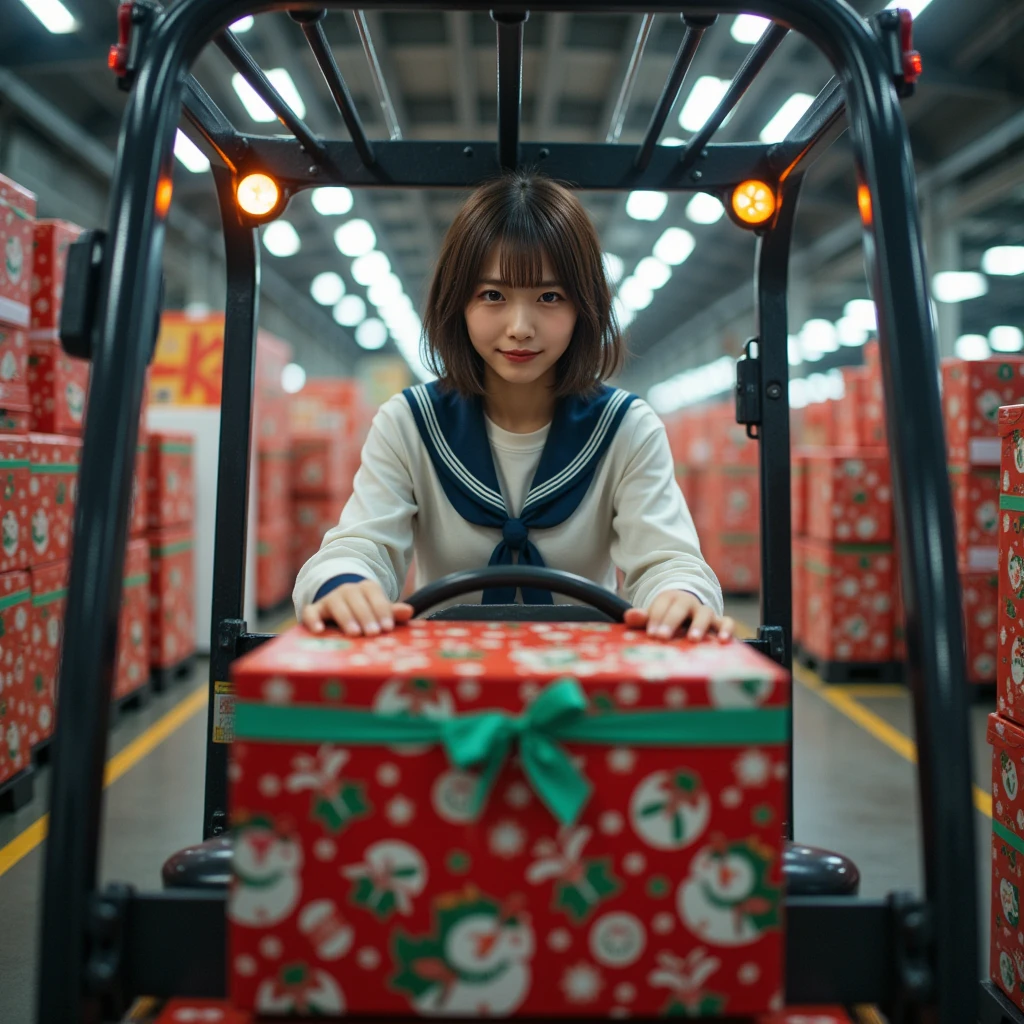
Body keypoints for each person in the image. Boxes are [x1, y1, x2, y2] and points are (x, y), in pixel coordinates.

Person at [295, 170, 732, 642]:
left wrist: (681, 596)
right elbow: (361, 545)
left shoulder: (626, 427)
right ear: (457, 303)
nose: (520, 326)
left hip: (584, 686)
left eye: (549, 296)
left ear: (584, 307)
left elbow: (668, 560)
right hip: (442, 685)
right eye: (493, 295)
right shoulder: (409, 423)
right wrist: (345, 584)